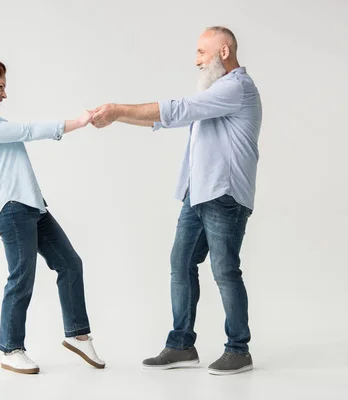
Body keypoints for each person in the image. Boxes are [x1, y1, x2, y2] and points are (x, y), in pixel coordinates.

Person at [91, 26, 262, 375]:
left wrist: (117, 108)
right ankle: (181, 345)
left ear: (224, 52)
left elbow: (179, 110)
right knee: (181, 265)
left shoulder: (236, 88)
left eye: (202, 52)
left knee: (225, 271)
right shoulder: (217, 92)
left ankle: (238, 349)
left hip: (224, 195)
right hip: (197, 193)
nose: (196, 60)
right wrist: (117, 116)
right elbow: (171, 119)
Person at [0, 58, 105, 374]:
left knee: (70, 263)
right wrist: (77, 122)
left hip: (33, 207)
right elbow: (29, 130)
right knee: (22, 278)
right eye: (0, 86)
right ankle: (11, 349)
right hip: (13, 209)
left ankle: (78, 334)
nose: (4, 94)